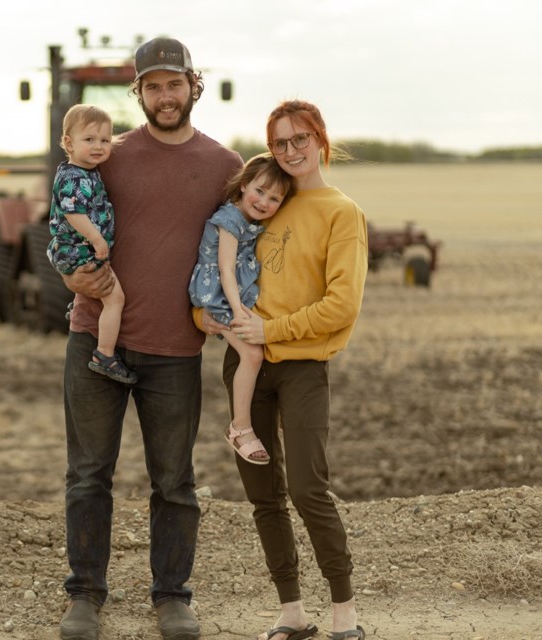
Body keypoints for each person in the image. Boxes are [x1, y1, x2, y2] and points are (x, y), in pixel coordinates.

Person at [57, 37, 243, 640]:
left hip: (174, 349)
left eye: (174, 84)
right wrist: (67, 273)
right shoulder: (106, 154)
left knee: (175, 480)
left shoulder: (224, 166)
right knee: (89, 474)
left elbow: (247, 244)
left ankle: (172, 597)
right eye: (153, 86)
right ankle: (85, 595)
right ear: (138, 93)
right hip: (96, 340)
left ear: (195, 85)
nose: (165, 96)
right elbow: (63, 221)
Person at [194, 99, 368, 640]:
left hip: (300, 367)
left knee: (308, 488)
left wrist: (271, 331)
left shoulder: (342, 212)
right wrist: (214, 320)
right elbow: (215, 270)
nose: (290, 151)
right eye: (279, 143)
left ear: (319, 139)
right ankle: (291, 612)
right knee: (262, 494)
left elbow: (342, 305)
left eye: (299, 139)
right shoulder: (265, 202)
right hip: (243, 364)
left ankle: (345, 616)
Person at [188, 154, 295, 466]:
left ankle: (271, 418)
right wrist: (237, 311)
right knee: (252, 354)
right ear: (244, 183)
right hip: (218, 295)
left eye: (274, 198)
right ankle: (240, 428)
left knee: (262, 348)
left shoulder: (249, 219)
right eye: (259, 191)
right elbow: (225, 268)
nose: (264, 202)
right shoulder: (230, 220)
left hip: (231, 293)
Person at [47, 104, 136, 385]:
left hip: (80, 248)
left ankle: (80, 307)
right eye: (90, 140)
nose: (98, 146)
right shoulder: (74, 177)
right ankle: (104, 354)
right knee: (115, 299)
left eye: (105, 140)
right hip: (80, 249)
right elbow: (74, 213)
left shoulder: (86, 170)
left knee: (104, 295)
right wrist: (97, 238)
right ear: (68, 143)